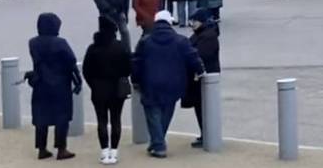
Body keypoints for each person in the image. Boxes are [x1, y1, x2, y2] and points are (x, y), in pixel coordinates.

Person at [132, 10, 205, 158]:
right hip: (174, 84)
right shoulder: (181, 41)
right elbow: (193, 58)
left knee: (153, 114)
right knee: (166, 112)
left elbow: (136, 62)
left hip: (150, 83)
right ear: (170, 23)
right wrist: (200, 70)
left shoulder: (146, 41)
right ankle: (157, 142)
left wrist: (135, 80)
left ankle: (158, 144)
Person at [28, 12, 81, 161]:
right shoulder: (60, 43)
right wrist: (78, 80)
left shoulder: (33, 43)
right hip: (60, 83)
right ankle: (61, 148)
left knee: (41, 117)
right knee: (61, 117)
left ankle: (42, 148)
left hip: (40, 83)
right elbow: (71, 62)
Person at [82, 16, 132, 165]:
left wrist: (93, 84)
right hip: (117, 89)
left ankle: (104, 152)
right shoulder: (121, 47)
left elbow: (86, 70)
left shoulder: (93, 48)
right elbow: (128, 68)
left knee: (101, 120)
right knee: (116, 120)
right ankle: (114, 152)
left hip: (98, 89)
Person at [182, 9, 221, 148]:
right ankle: (205, 133)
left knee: (204, 107)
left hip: (205, 78)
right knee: (200, 107)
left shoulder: (208, 36)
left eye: (195, 21)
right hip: (200, 78)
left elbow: (202, 55)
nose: (192, 24)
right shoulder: (202, 34)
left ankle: (208, 134)